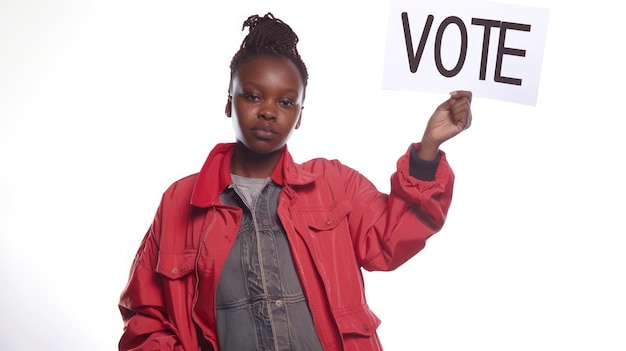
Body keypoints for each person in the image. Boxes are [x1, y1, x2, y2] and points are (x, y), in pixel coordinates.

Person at [118, 12, 472, 351]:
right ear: (230, 102)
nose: (269, 111)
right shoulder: (181, 200)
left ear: (299, 116)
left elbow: (395, 236)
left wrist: (429, 147)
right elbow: (145, 317)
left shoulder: (333, 184)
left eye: (286, 102)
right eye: (253, 95)